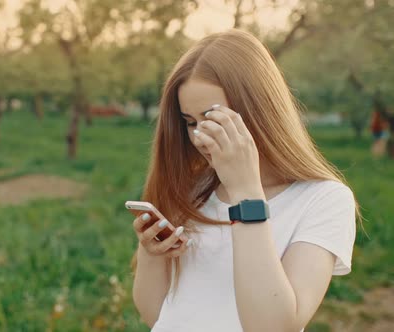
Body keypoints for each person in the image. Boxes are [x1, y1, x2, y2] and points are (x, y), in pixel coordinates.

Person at [130, 29, 357, 332]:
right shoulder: (193, 189)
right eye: (190, 123)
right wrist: (150, 255)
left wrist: (245, 194)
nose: (199, 137)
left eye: (213, 120)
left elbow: (273, 327)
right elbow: (156, 315)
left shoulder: (323, 200)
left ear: (259, 110)